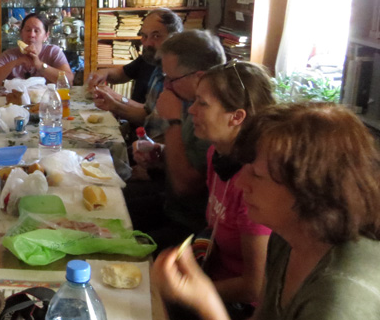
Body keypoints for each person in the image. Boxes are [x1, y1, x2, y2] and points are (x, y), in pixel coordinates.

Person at [153, 103, 380, 320]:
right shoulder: (286, 238)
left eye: (257, 175)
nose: (240, 183)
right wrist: (202, 295)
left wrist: (206, 301)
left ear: (311, 190)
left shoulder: (340, 299)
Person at [168, 61, 276, 320]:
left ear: (236, 117)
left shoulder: (255, 184)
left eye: (202, 104)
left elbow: (254, 286)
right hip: (209, 273)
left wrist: (186, 292)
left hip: (236, 306)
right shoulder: (216, 155)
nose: (191, 110)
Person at [130, 30, 225, 251]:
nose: (166, 86)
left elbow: (186, 186)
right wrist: (159, 154)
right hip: (169, 205)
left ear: (199, 77)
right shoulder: (190, 102)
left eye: (171, 79)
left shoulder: (213, 117)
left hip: (191, 227)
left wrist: (172, 121)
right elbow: (188, 156)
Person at [89, 8, 183, 120]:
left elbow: (151, 120)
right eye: (144, 36)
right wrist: (102, 73)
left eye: (156, 36)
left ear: (175, 38)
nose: (147, 43)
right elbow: (121, 73)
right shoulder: (150, 57)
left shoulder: (178, 74)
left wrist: (117, 100)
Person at [0, 13, 73, 88]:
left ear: (46, 35)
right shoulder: (9, 55)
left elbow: (69, 81)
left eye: (36, 31)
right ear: (21, 33)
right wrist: (15, 62)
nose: (31, 34)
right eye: (28, 30)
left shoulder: (53, 52)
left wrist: (40, 65)